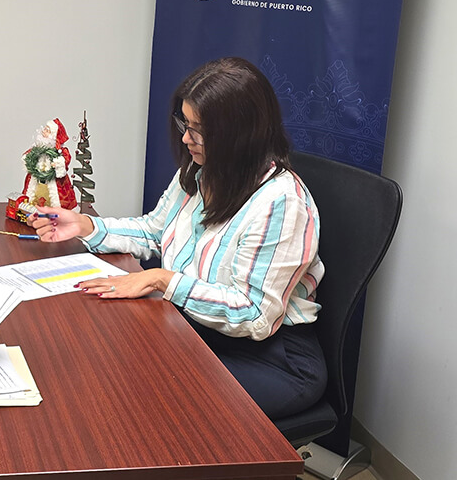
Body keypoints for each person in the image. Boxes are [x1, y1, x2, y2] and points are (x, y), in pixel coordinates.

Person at [29, 57, 327, 419]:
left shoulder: (281, 203)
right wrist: (86, 227)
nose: (186, 138)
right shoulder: (201, 171)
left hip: (271, 359)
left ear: (239, 133)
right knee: (100, 363)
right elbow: (156, 231)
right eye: (184, 124)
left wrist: (163, 278)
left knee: (146, 400)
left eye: (198, 130)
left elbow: (254, 315)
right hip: (196, 328)